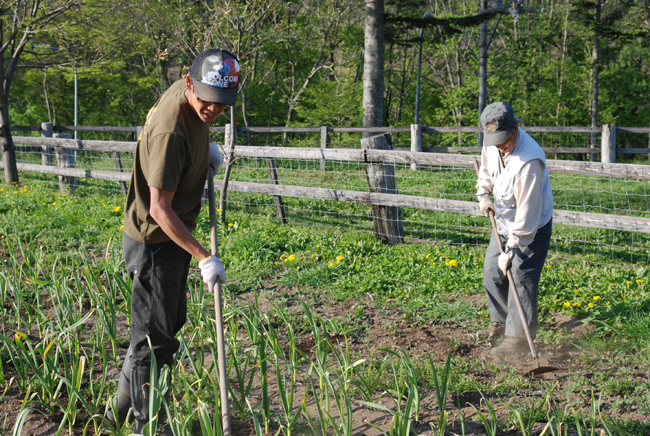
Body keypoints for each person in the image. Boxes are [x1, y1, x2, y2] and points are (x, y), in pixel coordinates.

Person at [107, 48, 240, 434]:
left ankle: (116, 410)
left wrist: (203, 156)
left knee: (167, 324)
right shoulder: (171, 132)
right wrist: (203, 256)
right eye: (207, 101)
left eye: (221, 104)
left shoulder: (193, 97)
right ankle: (148, 426)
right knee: (155, 340)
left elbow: (199, 119)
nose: (213, 110)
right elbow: (160, 210)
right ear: (188, 83)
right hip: (155, 241)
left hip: (171, 237)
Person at [475, 101, 553, 358]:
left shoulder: (529, 162)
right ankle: (500, 323)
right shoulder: (493, 144)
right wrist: (484, 193)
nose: (499, 146)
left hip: (530, 228)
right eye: (493, 140)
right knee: (491, 271)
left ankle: (516, 339)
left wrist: (512, 247)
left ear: (515, 129)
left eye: (503, 139)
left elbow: (527, 215)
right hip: (505, 221)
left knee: (520, 275)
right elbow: (486, 169)